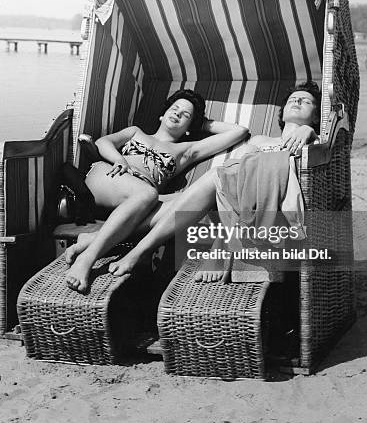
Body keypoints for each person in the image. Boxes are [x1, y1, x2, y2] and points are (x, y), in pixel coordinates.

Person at [106, 81, 321, 283]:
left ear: (315, 117)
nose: (297, 101)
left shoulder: (315, 140)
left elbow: (323, 154)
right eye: (293, 99)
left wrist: (309, 132)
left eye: (307, 101)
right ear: (282, 114)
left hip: (270, 203)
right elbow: (240, 167)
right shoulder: (259, 141)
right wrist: (196, 121)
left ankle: (129, 246)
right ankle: (118, 242)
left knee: (219, 174)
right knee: (214, 180)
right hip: (236, 194)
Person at [65, 89, 249, 292]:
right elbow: (102, 142)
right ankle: (87, 258)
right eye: (174, 108)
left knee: (190, 200)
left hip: (141, 201)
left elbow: (239, 131)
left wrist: (202, 123)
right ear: (162, 114)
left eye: (185, 115)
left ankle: (94, 237)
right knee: (147, 194)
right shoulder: (136, 132)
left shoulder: (185, 151)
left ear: (189, 127)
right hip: (108, 176)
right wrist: (119, 159)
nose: (178, 113)